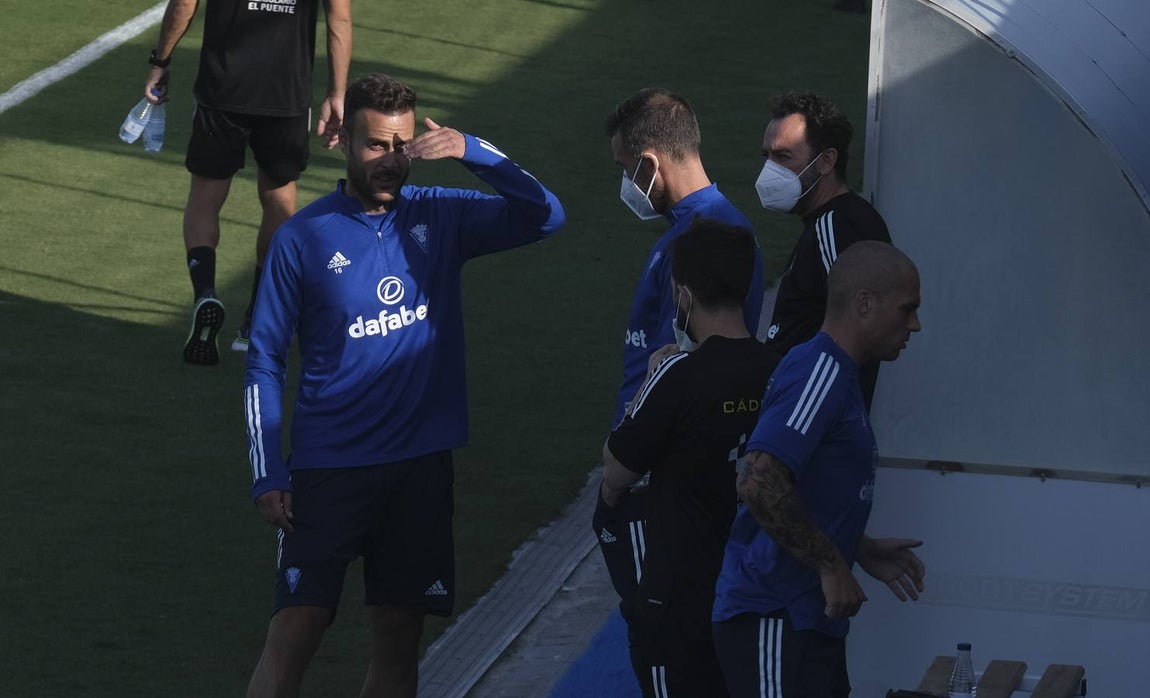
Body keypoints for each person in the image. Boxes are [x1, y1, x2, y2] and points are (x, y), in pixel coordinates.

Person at [241, 73, 565, 698]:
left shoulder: (441, 217)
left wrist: (474, 151)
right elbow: (264, 359)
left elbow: (546, 216)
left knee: (398, 634)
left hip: (418, 468)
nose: (390, 160)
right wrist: (267, 471)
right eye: (375, 145)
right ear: (343, 142)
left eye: (402, 146)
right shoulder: (301, 239)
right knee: (294, 632)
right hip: (328, 471)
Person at [711, 241, 925, 698]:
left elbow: (805, 485)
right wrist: (831, 564)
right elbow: (757, 478)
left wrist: (858, 547)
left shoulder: (837, 375)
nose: (915, 325)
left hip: (806, 623)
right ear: (864, 302)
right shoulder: (820, 369)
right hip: (774, 615)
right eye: (907, 309)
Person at [596, 87, 766, 614]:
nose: (627, 184)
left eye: (627, 170)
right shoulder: (692, 230)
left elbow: (700, 364)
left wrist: (632, 463)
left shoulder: (709, 236)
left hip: (663, 472)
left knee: (661, 626)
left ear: (650, 162)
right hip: (653, 457)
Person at [598, 219, 777, 698]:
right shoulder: (781, 369)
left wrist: (645, 388)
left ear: (683, 295)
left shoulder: (677, 373)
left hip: (682, 598)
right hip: (755, 589)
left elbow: (615, 473)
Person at [142, 0, 353, 365]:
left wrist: (161, 62)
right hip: (286, 94)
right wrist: (337, 93)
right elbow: (340, 18)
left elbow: (184, 4)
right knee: (280, 201)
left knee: (205, 198)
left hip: (222, 90)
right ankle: (256, 319)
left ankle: (205, 292)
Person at [754, 91, 891, 404]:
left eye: (783, 157)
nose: (770, 171)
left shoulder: (839, 227)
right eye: (768, 157)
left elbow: (855, 333)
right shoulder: (829, 223)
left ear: (827, 160)